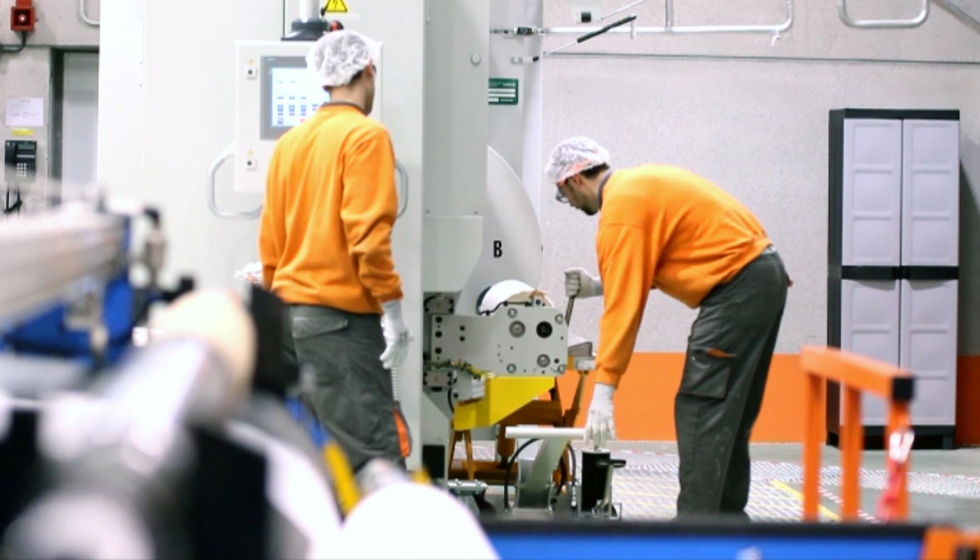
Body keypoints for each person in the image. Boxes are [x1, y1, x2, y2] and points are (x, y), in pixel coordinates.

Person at [550, 136, 790, 518]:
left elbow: (624, 308)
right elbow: (651, 266)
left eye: (564, 196)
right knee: (728, 412)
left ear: (573, 180)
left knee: (701, 408)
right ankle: (726, 524)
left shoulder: (620, 210)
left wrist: (604, 390)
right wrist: (598, 285)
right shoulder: (637, 186)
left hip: (737, 289)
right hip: (763, 277)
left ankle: (695, 535)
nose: (570, 204)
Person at [259, 30, 411, 472]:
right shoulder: (365, 137)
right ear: (367, 70)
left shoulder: (291, 143)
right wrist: (394, 313)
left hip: (289, 321)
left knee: (313, 459)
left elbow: (270, 241)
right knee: (370, 461)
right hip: (340, 326)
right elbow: (367, 236)